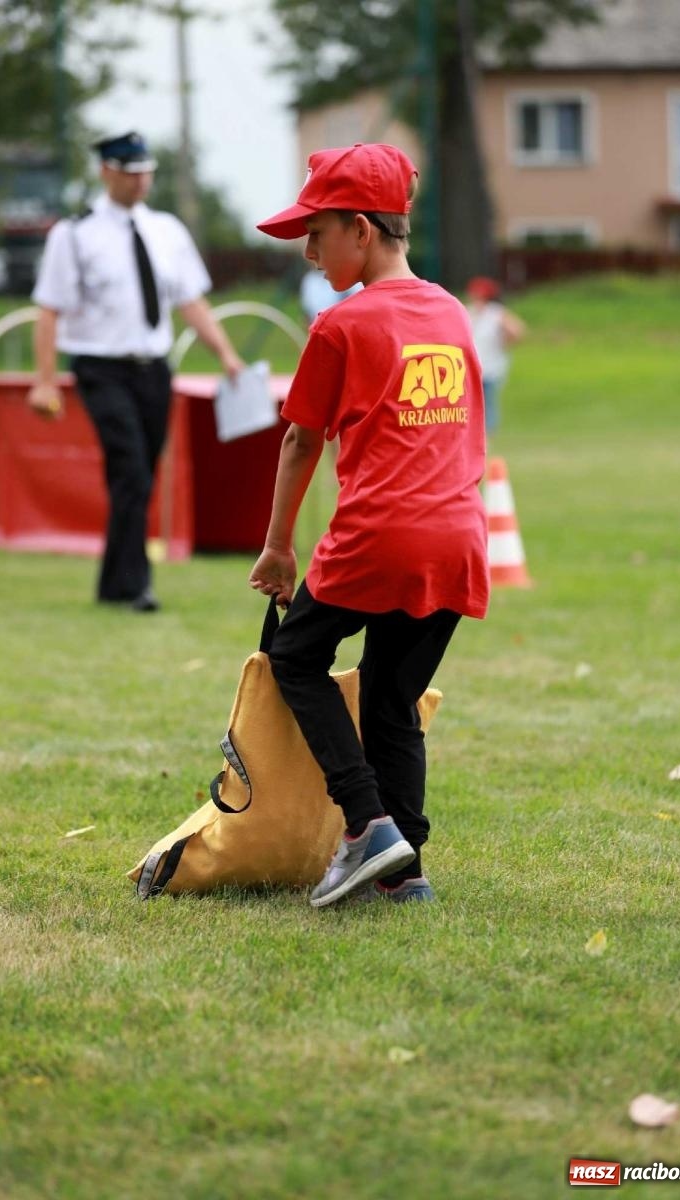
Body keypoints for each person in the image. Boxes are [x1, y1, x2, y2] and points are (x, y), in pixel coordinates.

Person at [249, 143, 489, 908]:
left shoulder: (340, 325)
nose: (309, 252)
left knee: (295, 658)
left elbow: (300, 440)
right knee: (392, 699)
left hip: (379, 535)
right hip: (456, 539)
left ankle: (365, 824)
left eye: (316, 234)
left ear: (361, 228)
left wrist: (279, 547)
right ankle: (405, 871)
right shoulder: (451, 312)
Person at [28, 131, 243, 612]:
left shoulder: (166, 230)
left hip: (153, 369)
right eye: (130, 173)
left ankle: (113, 582)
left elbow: (191, 301)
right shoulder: (74, 234)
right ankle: (135, 585)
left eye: (146, 172)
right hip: (100, 366)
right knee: (130, 468)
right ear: (106, 171)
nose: (140, 181)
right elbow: (49, 309)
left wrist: (226, 354)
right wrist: (44, 381)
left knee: (140, 473)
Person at [464, 276, 526, 435]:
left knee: (488, 403)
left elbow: (517, 331)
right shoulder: (468, 311)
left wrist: (505, 341)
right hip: (470, 367)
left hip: (491, 367)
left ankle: (487, 435)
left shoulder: (496, 313)